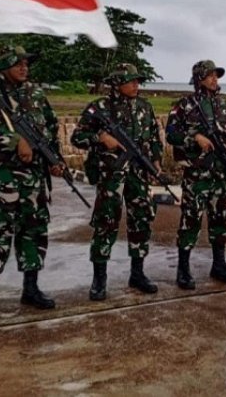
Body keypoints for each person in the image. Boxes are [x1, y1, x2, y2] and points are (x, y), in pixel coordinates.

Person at [0, 46, 64, 320]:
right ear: (3, 67)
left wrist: (55, 160)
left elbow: (50, 126)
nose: (24, 68)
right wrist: (14, 141)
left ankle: (31, 289)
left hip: (35, 179)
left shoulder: (35, 93)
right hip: (4, 178)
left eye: (26, 63)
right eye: (18, 64)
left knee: (34, 232)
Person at [71, 63, 163, 301]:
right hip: (111, 176)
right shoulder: (100, 107)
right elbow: (77, 137)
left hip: (138, 175)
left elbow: (154, 138)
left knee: (142, 219)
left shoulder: (144, 107)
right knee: (106, 222)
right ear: (117, 83)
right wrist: (101, 137)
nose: (136, 85)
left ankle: (138, 273)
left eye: (137, 81)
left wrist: (156, 161)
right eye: (131, 81)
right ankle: (99, 279)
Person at [165, 60, 226, 289]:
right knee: (191, 220)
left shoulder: (224, 105)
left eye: (216, 75)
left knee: (220, 219)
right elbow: (170, 134)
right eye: (210, 75)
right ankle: (183, 269)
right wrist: (194, 138)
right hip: (197, 175)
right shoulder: (185, 105)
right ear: (199, 78)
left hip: (219, 174)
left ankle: (219, 265)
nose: (215, 79)